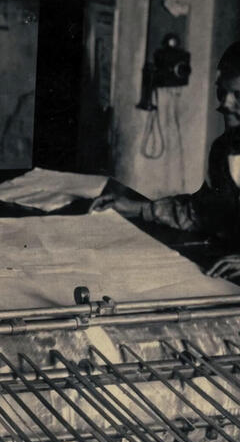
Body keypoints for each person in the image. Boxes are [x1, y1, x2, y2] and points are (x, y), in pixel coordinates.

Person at [92, 41, 240, 279]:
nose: (225, 104)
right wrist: (136, 208)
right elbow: (202, 213)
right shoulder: (223, 151)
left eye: (238, 96)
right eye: (222, 92)